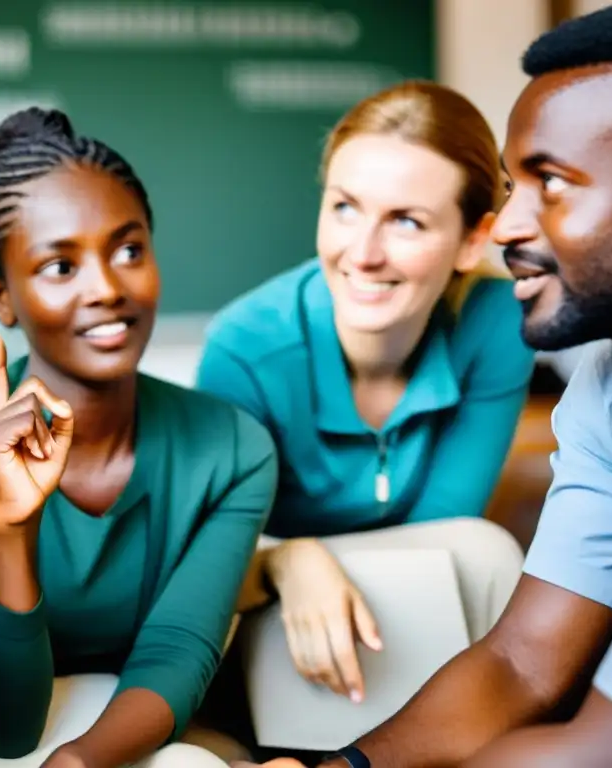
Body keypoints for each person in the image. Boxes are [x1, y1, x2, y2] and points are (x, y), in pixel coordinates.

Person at [243, 1, 612, 765]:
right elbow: (523, 663)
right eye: (510, 185)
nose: (510, 227)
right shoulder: (605, 389)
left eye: (550, 185)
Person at [0, 107, 278, 768]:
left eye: (128, 250)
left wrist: (83, 761)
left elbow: (176, 654)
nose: (108, 289)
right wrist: (11, 526)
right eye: (61, 267)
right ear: (1, 296)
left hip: (126, 729)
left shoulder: (232, 449)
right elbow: (2, 725)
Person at [195, 80, 534, 706]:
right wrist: (283, 563)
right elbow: (210, 568)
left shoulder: (498, 326)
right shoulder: (244, 347)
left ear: (473, 240)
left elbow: (449, 533)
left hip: (414, 606)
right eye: (345, 207)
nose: (364, 253)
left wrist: (298, 552)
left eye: (406, 220)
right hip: (270, 630)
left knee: (482, 552)